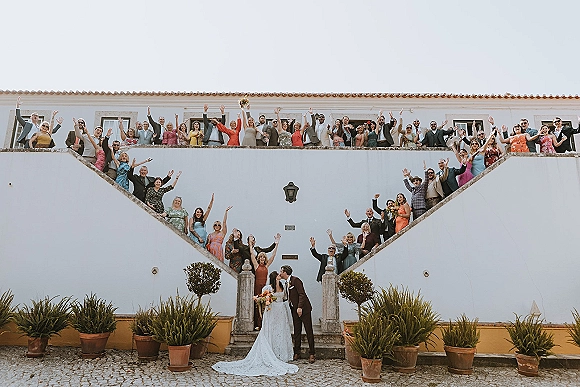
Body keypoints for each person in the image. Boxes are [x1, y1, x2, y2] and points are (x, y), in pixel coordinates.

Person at [212, 271, 298, 376]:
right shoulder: (268, 288)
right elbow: (264, 301)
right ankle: (272, 354)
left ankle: (281, 354)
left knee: (281, 331)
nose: (280, 276)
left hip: (281, 312)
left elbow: (284, 298)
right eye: (278, 276)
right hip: (272, 311)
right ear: (274, 278)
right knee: (271, 331)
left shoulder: (282, 286)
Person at [279, 265, 315, 363]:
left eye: (281, 271)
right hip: (294, 309)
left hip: (304, 309)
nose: (280, 273)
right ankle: (297, 352)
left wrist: (299, 307)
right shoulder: (285, 283)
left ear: (285, 272)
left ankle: (312, 353)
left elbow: (302, 294)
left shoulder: (296, 280)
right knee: (296, 331)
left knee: (308, 330)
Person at [250, 233, 281, 330]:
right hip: (257, 286)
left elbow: (273, 255)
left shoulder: (266, 266)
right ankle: (257, 324)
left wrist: (277, 243)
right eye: (260, 257)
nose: (262, 258)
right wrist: (250, 244)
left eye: (263, 257)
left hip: (264, 287)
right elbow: (251, 254)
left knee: (265, 304)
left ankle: (264, 324)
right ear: (258, 258)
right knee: (257, 305)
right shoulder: (256, 266)